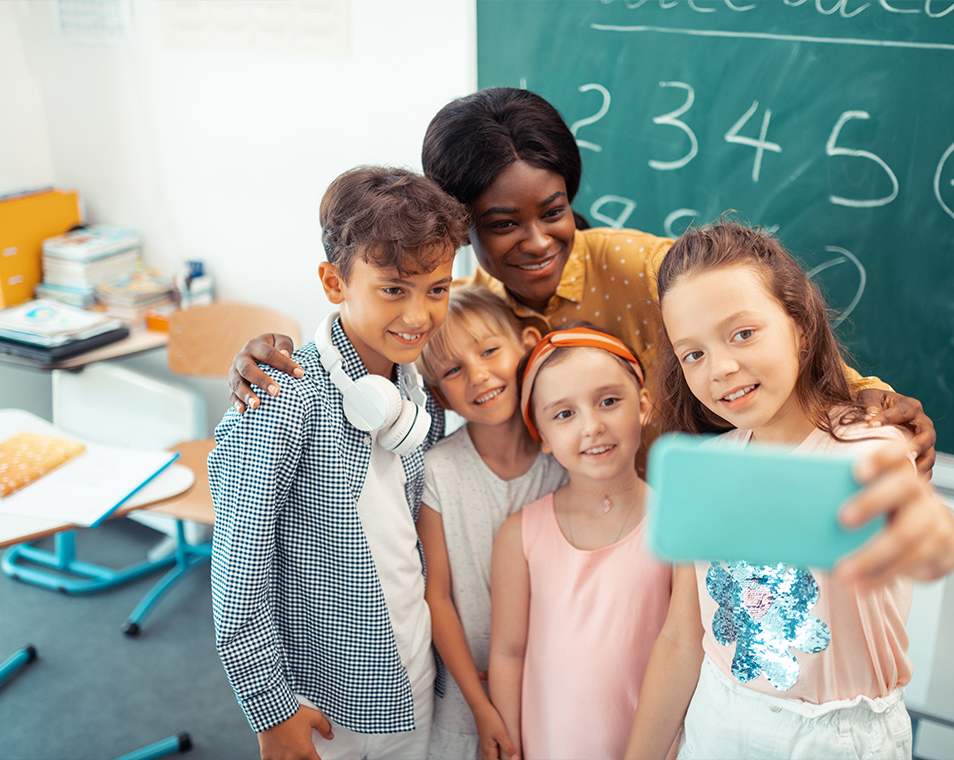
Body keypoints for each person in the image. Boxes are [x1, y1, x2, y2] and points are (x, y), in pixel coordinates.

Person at [225, 87, 939, 473]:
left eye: (554, 211)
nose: (537, 242)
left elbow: (762, 315)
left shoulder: (635, 264)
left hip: (709, 502)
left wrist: (871, 396)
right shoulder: (462, 309)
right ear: (462, 226)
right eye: (502, 223)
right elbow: (380, 350)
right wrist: (273, 353)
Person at [624, 221, 954, 760]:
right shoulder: (702, 466)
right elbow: (681, 639)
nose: (723, 368)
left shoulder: (871, 449)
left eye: (743, 333)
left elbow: (929, 545)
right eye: (693, 354)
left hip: (837, 738)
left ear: (801, 328)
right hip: (716, 724)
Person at [208, 166, 468, 760]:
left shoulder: (417, 390)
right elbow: (237, 578)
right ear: (334, 283)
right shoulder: (281, 395)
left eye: (437, 289)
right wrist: (271, 710)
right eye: (393, 289)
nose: (419, 314)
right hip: (324, 693)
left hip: (409, 667)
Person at [489, 326, 673, 760]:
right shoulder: (520, 535)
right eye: (564, 414)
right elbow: (508, 652)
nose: (592, 426)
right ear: (544, 438)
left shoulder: (676, 525)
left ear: (644, 405)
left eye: (609, 401)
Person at [412, 286, 567, 760]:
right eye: (454, 370)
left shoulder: (565, 461)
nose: (478, 375)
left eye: (489, 351)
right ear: (440, 394)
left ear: (526, 344)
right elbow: (435, 595)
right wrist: (481, 706)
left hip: (553, 683)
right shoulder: (438, 470)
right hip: (466, 696)